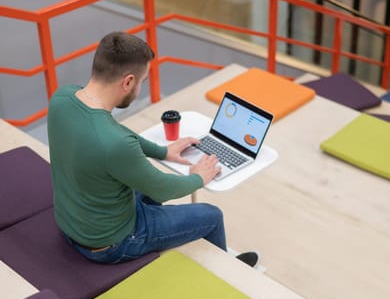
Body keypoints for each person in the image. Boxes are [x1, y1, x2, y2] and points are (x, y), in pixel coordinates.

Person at [47, 31, 258, 267]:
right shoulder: (116, 144)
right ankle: (232, 272)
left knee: (143, 190)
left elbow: (115, 132)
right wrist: (199, 177)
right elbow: (162, 189)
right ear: (127, 81)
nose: (140, 88)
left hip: (72, 224)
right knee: (211, 216)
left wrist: (163, 151)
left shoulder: (62, 98)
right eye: (142, 81)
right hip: (110, 243)